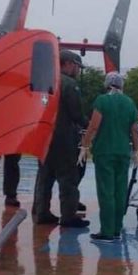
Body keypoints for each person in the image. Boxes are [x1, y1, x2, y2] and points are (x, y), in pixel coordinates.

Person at [32, 50, 90, 228]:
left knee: (44, 176)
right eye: (77, 67)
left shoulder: (43, 81)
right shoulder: (69, 84)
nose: (78, 71)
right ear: (68, 64)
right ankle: (68, 215)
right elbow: (76, 113)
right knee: (68, 178)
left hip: (43, 135)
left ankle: (41, 212)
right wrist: (90, 126)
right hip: (63, 138)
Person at [79, 71, 138, 242]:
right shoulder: (129, 103)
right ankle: (116, 229)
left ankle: (106, 231)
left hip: (105, 152)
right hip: (123, 152)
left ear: (107, 84)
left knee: (106, 192)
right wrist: (136, 151)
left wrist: (84, 145)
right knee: (120, 191)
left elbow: (94, 126)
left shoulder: (102, 101)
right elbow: (135, 130)